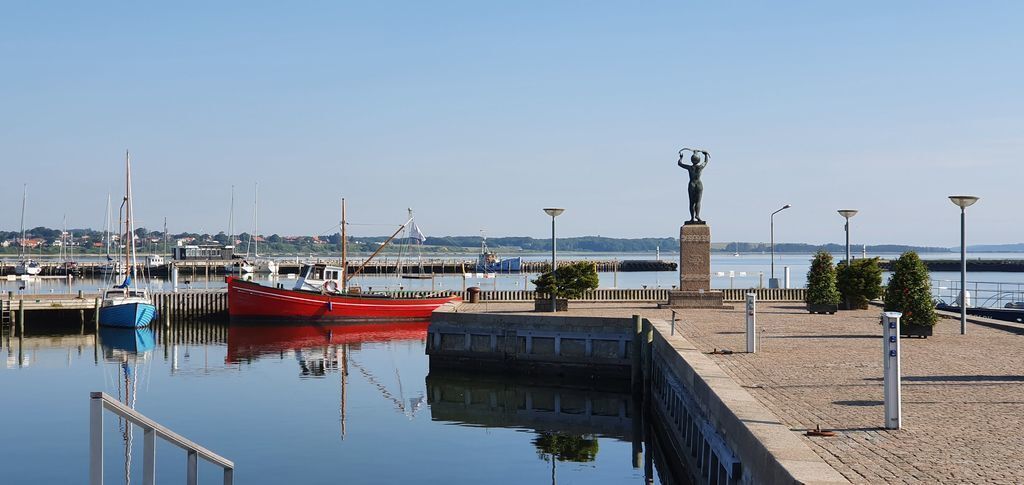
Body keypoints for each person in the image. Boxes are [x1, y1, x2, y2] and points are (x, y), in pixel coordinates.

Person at [677, 149, 709, 223]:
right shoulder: (700, 167)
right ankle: (697, 215)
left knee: (692, 202)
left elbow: (680, 164)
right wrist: (705, 155)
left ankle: (692, 218)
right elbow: (705, 162)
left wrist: (681, 158)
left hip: (692, 184)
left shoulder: (689, 167)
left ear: (692, 160)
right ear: (698, 160)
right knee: (698, 201)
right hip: (699, 184)